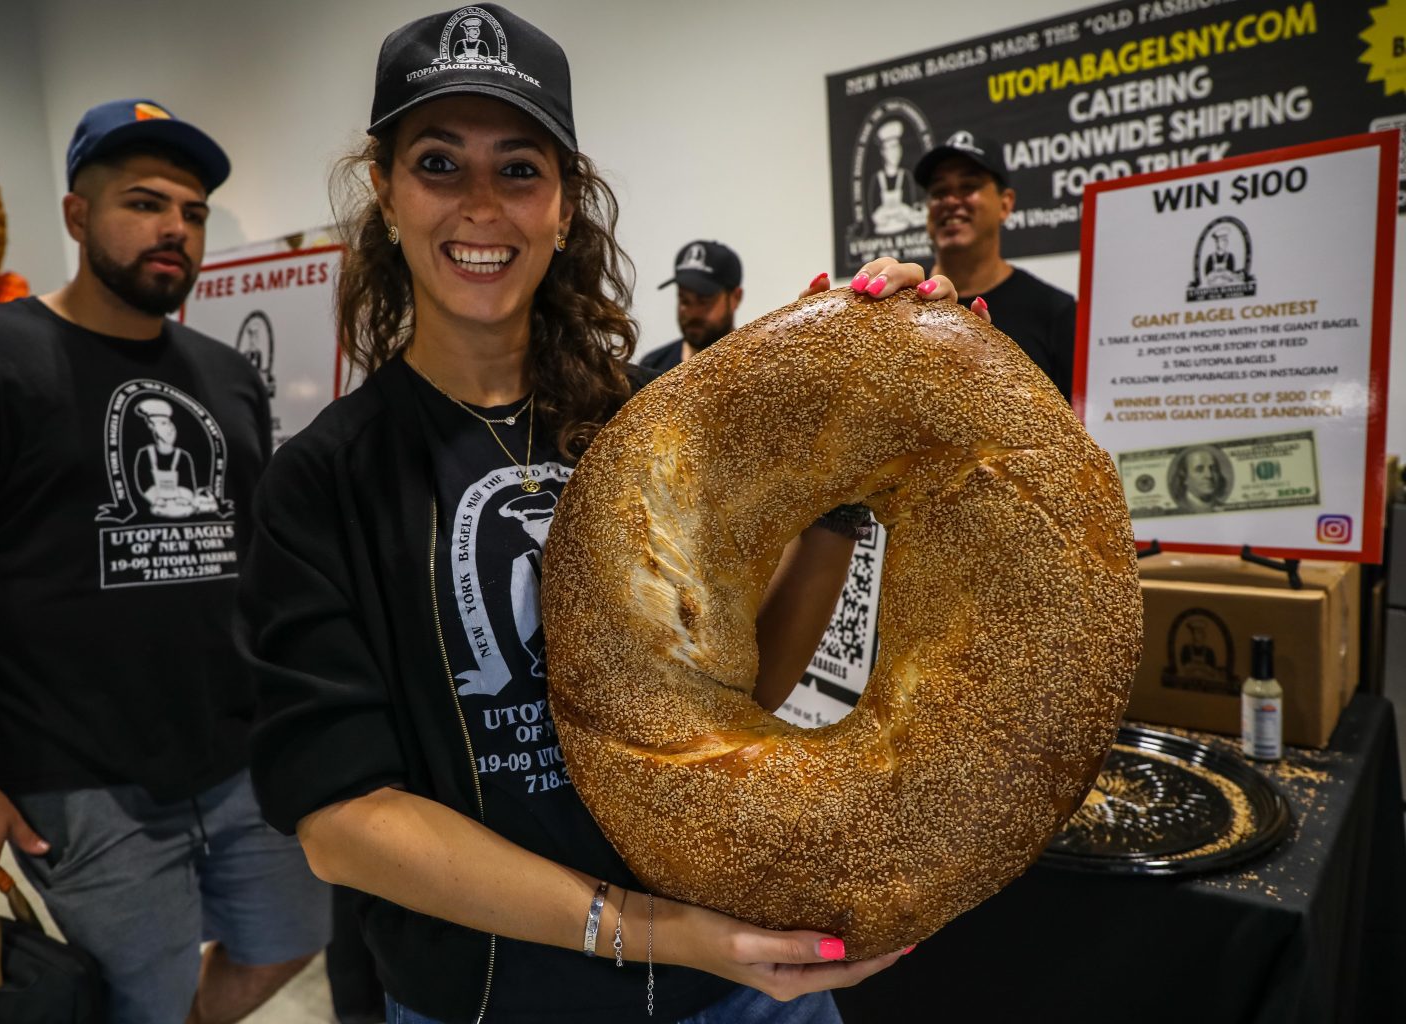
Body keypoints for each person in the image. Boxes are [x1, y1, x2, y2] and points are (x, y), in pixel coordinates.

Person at [239, 6, 976, 1024]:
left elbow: (735, 696)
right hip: (503, 1000)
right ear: (385, 188)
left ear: (565, 201)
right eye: (439, 164)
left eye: (519, 169)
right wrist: (649, 928)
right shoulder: (323, 485)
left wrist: (840, 467)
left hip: (736, 982)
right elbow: (344, 821)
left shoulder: (649, 429)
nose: (481, 207)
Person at [0, 98, 329, 1024]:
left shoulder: (227, 376)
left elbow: (248, 557)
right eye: (145, 203)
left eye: (193, 213)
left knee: (291, 934)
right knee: (135, 996)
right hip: (75, 776)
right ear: (78, 215)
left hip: (238, 751)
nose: (175, 230)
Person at [914, 130, 1077, 400]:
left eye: (969, 187)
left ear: (1006, 203)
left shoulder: (1055, 312)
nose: (952, 201)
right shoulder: (902, 304)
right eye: (939, 191)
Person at [640, 240, 743, 373]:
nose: (693, 313)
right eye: (684, 300)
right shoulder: (653, 365)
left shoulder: (756, 366)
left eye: (704, 301)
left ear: (736, 297)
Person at [1169, 445, 1229, 513]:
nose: (1209, 475)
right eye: (1199, 470)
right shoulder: (1178, 509)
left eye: (1213, 469)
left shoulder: (1225, 507)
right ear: (1184, 477)